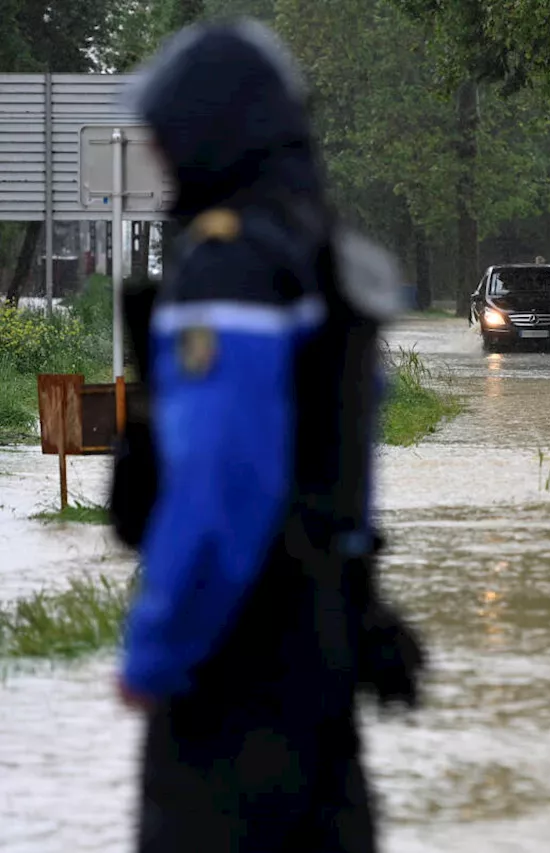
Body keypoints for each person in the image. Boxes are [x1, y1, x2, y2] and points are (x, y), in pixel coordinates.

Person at [109, 19, 423, 853]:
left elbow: (220, 491)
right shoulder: (326, 257)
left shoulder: (230, 269)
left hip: (234, 673)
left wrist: (152, 653)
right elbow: (339, 479)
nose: (165, 162)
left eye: (169, 141)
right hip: (325, 658)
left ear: (210, 133)